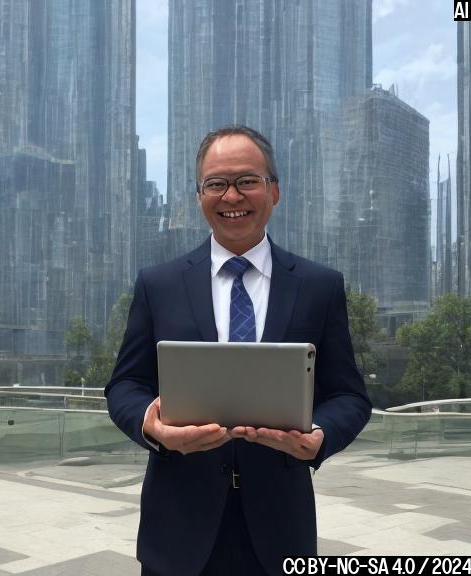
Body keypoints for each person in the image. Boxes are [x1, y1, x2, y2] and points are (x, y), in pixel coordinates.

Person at [106, 126, 372, 575]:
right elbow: (125, 385)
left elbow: (349, 396)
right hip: (177, 534)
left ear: (274, 191)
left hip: (279, 534)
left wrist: (320, 436)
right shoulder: (159, 285)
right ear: (199, 196)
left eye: (247, 181)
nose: (232, 196)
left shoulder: (319, 287)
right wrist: (151, 425)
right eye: (216, 184)